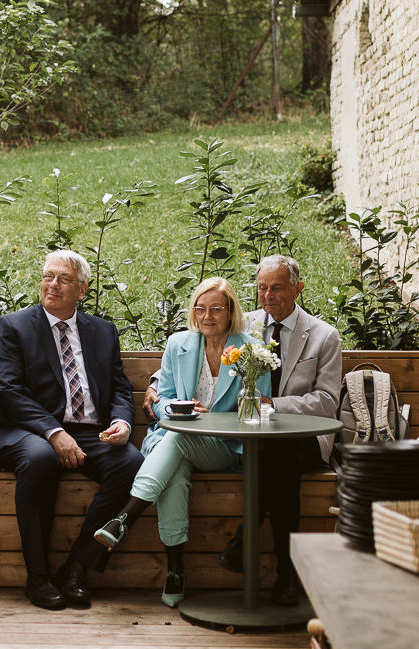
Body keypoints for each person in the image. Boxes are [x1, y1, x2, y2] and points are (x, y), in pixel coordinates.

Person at [144, 255, 342, 605]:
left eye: (277, 288)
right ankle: (279, 573)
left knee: (280, 459)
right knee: (271, 459)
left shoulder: (323, 336)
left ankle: (269, 562)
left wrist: (272, 404)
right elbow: (194, 350)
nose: (268, 295)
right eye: (262, 287)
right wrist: (154, 384)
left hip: (303, 436)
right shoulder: (245, 325)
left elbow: (327, 402)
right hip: (249, 435)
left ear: (298, 288)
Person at [93, 277, 268, 607]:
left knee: (177, 436)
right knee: (175, 473)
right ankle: (175, 570)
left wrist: (212, 419)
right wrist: (174, 408)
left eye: (216, 308)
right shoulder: (179, 344)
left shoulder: (250, 350)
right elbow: (162, 400)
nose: (207, 316)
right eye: (200, 308)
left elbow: (259, 403)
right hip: (178, 442)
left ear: (231, 311)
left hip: (224, 447)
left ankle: (126, 516)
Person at [0, 249, 143, 610]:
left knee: (131, 463)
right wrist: (53, 432)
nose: (52, 284)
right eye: (48, 276)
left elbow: (119, 387)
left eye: (64, 279)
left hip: (89, 429)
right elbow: (9, 389)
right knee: (41, 458)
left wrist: (121, 419)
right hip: (27, 429)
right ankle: (37, 576)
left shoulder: (103, 331)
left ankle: (78, 566)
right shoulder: (16, 325)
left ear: (82, 290)